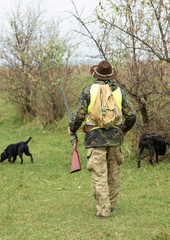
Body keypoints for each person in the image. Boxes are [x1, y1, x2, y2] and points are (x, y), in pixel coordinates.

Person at [68, 60, 136, 219]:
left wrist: (72, 128)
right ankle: (111, 205)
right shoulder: (119, 91)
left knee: (99, 175)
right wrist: (124, 129)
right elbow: (132, 115)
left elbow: (78, 116)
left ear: (96, 74)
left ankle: (103, 210)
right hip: (115, 138)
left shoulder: (87, 91)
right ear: (110, 75)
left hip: (94, 138)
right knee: (113, 174)